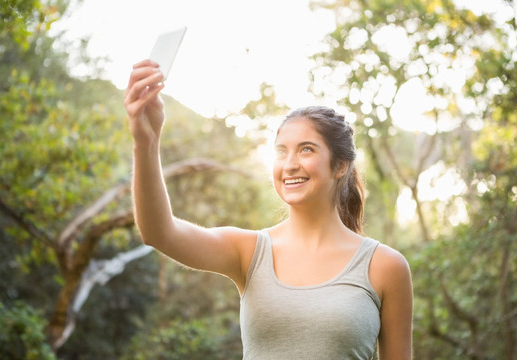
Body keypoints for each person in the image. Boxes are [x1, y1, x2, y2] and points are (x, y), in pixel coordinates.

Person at [124, 59, 413, 360]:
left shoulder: (385, 267)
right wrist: (146, 141)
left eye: (306, 149)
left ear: (340, 165)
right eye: (281, 151)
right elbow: (159, 232)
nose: (290, 164)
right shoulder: (249, 252)